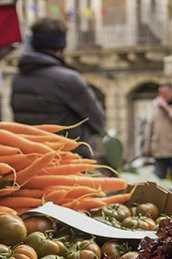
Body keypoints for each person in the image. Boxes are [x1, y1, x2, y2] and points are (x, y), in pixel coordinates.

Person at [11, 17, 106, 158]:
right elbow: (98, 122)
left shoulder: (18, 79)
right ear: (61, 46)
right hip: (68, 158)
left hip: (31, 157)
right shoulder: (68, 79)